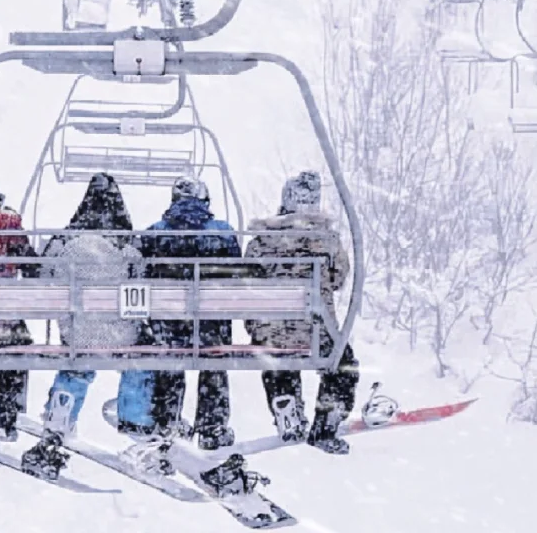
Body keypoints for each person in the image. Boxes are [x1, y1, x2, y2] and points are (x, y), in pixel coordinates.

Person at [21, 174, 142, 482]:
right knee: (140, 360)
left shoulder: (66, 241)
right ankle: (138, 419)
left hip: (78, 333)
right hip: (121, 337)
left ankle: (60, 417)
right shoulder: (128, 243)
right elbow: (143, 280)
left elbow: (42, 276)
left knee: (76, 363)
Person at [118, 177, 240, 451]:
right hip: (211, 325)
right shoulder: (222, 231)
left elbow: (139, 274)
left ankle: (167, 422)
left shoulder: (155, 233)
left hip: (169, 324)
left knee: (169, 363)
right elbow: (236, 275)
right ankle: (212, 427)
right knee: (213, 363)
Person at [244, 171, 358, 454]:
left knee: (277, 356)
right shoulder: (326, 240)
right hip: (315, 331)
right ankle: (326, 422)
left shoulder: (260, 241)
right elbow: (339, 278)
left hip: (270, 331)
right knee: (343, 364)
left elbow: (246, 285)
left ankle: (286, 405)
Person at [0, 180, 36, 441]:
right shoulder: (8, 220)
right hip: (1, 317)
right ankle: (5, 414)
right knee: (19, 346)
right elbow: (28, 261)